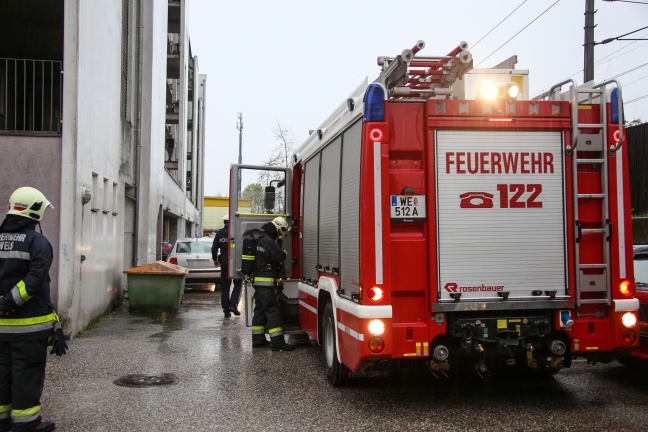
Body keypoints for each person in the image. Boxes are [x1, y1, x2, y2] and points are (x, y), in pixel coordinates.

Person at [0, 187, 67, 432]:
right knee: (26, 374)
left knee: (3, 374)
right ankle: (27, 424)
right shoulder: (37, 242)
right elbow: (34, 280)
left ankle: (3, 419)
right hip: (27, 329)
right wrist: (7, 303)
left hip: (1, 329)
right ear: (35, 210)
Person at [251, 216, 294, 352]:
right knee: (272, 311)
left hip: (258, 283)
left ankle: (258, 340)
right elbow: (279, 256)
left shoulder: (261, 239)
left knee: (259, 310)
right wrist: (284, 252)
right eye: (281, 231)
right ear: (277, 228)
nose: (282, 234)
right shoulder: (268, 241)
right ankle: (278, 343)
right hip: (266, 285)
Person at [211, 214, 242, 318]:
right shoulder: (237, 232)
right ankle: (233, 304)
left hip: (224, 260)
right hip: (236, 260)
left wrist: (215, 259)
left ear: (224, 222)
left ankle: (226, 309)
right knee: (238, 282)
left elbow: (214, 248)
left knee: (225, 285)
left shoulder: (220, 233)